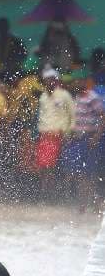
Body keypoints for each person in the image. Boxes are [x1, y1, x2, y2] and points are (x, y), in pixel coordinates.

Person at [58, 70, 103, 211]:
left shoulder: (92, 97)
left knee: (89, 173)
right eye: (75, 82)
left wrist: (96, 137)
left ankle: (91, 203)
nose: (76, 83)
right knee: (79, 173)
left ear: (84, 82)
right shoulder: (78, 97)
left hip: (90, 139)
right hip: (79, 139)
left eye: (79, 81)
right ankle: (85, 203)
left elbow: (103, 116)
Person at [35, 68, 74, 196]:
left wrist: (68, 133)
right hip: (44, 135)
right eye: (47, 80)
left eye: (52, 79)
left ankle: (53, 193)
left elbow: (72, 115)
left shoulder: (64, 95)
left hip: (59, 135)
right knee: (42, 166)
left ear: (56, 80)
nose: (49, 82)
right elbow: (41, 116)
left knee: (53, 166)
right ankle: (44, 192)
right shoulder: (43, 96)